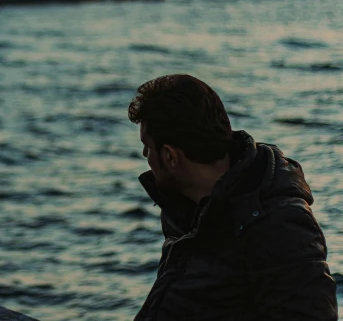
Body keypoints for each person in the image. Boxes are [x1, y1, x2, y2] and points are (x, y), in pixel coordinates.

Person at [129, 74, 337, 321]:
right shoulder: (183, 211)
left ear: (171, 157)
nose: (145, 155)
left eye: (147, 147)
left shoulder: (280, 226)